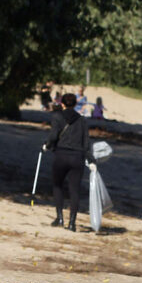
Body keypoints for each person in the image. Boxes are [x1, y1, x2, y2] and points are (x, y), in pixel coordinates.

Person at [44, 93, 92, 231]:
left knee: (57, 185)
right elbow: (86, 142)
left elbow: (53, 136)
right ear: (76, 104)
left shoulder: (57, 117)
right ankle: (72, 222)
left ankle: (59, 217)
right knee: (74, 190)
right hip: (77, 157)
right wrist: (90, 158)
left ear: (62, 104)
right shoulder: (82, 120)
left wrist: (47, 145)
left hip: (61, 155)